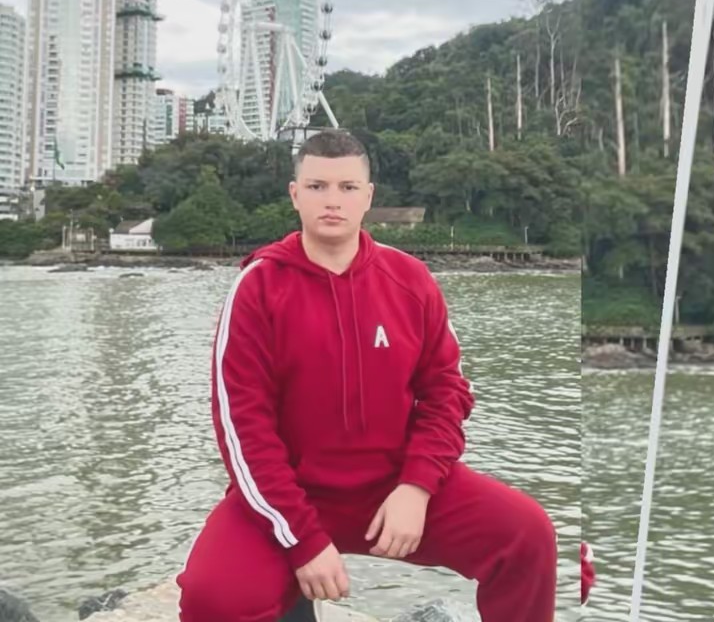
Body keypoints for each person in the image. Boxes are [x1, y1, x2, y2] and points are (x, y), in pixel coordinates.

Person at [176, 130, 558, 622]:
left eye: (348, 187)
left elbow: (447, 394)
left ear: (369, 196)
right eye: (317, 186)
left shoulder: (411, 281)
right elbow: (242, 429)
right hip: (291, 492)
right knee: (213, 598)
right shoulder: (258, 289)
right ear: (295, 195)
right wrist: (302, 540)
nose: (332, 200)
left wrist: (417, 487)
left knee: (527, 535)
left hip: (394, 486)